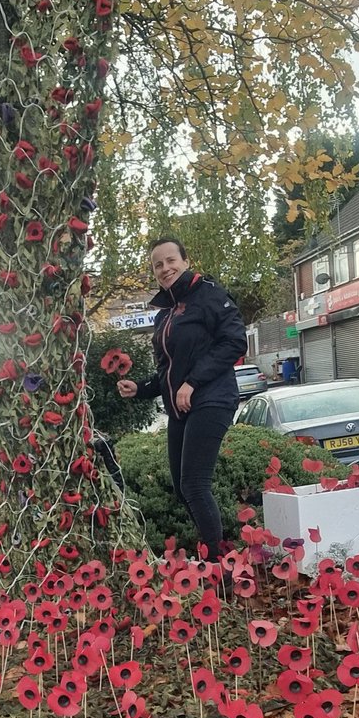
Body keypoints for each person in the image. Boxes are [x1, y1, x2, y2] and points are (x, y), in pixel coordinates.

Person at [118, 236, 247, 565]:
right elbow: (168, 371)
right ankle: (216, 550)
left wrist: (193, 381)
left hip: (212, 398)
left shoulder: (210, 295)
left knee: (194, 483)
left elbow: (234, 342)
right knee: (181, 487)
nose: (165, 268)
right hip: (181, 410)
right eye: (157, 265)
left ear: (185, 261)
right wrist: (142, 387)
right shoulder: (165, 315)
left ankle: (220, 566)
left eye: (171, 260)